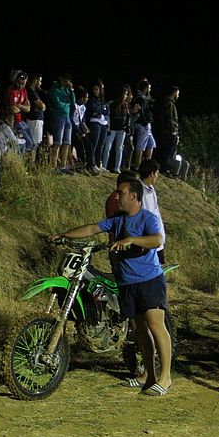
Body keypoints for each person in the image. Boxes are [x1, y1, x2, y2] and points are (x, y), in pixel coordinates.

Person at [51, 177, 171, 396]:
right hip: (127, 283)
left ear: (133, 196)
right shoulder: (117, 220)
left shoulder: (147, 218)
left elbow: (156, 239)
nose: (117, 197)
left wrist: (132, 240)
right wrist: (63, 235)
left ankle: (166, 378)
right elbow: (92, 228)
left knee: (156, 326)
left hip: (149, 280)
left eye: (120, 193)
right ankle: (149, 376)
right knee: (140, 330)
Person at [153, 85, 180, 174]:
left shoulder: (167, 102)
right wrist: (173, 131)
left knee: (165, 151)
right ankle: (164, 169)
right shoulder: (168, 103)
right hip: (168, 131)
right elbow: (169, 118)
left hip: (166, 131)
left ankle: (163, 168)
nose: (178, 96)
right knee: (167, 151)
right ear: (174, 93)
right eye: (177, 93)